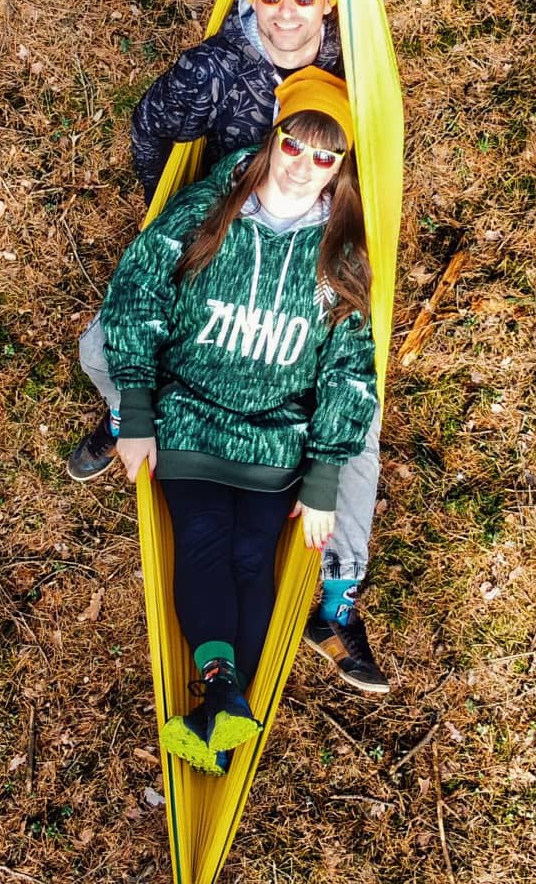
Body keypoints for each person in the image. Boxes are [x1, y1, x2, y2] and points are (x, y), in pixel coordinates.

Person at [66, 0, 393, 694]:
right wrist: (176, 216)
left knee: (356, 419)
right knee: (102, 345)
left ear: (328, 2)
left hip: (309, 263)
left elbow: (361, 154)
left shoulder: (352, 68)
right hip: (226, 238)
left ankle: (333, 594)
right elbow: (151, 131)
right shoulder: (214, 69)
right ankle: (128, 413)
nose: (287, 12)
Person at [101, 70, 377, 774]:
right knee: (201, 537)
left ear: (340, 168)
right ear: (273, 138)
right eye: (296, 146)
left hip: (276, 439)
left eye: (326, 157)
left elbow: (349, 372)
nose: (305, 166)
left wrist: (321, 480)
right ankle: (225, 692)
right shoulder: (212, 206)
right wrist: (134, 412)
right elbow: (137, 292)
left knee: (254, 560)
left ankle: (224, 710)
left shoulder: (341, 251)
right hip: (191, 418)